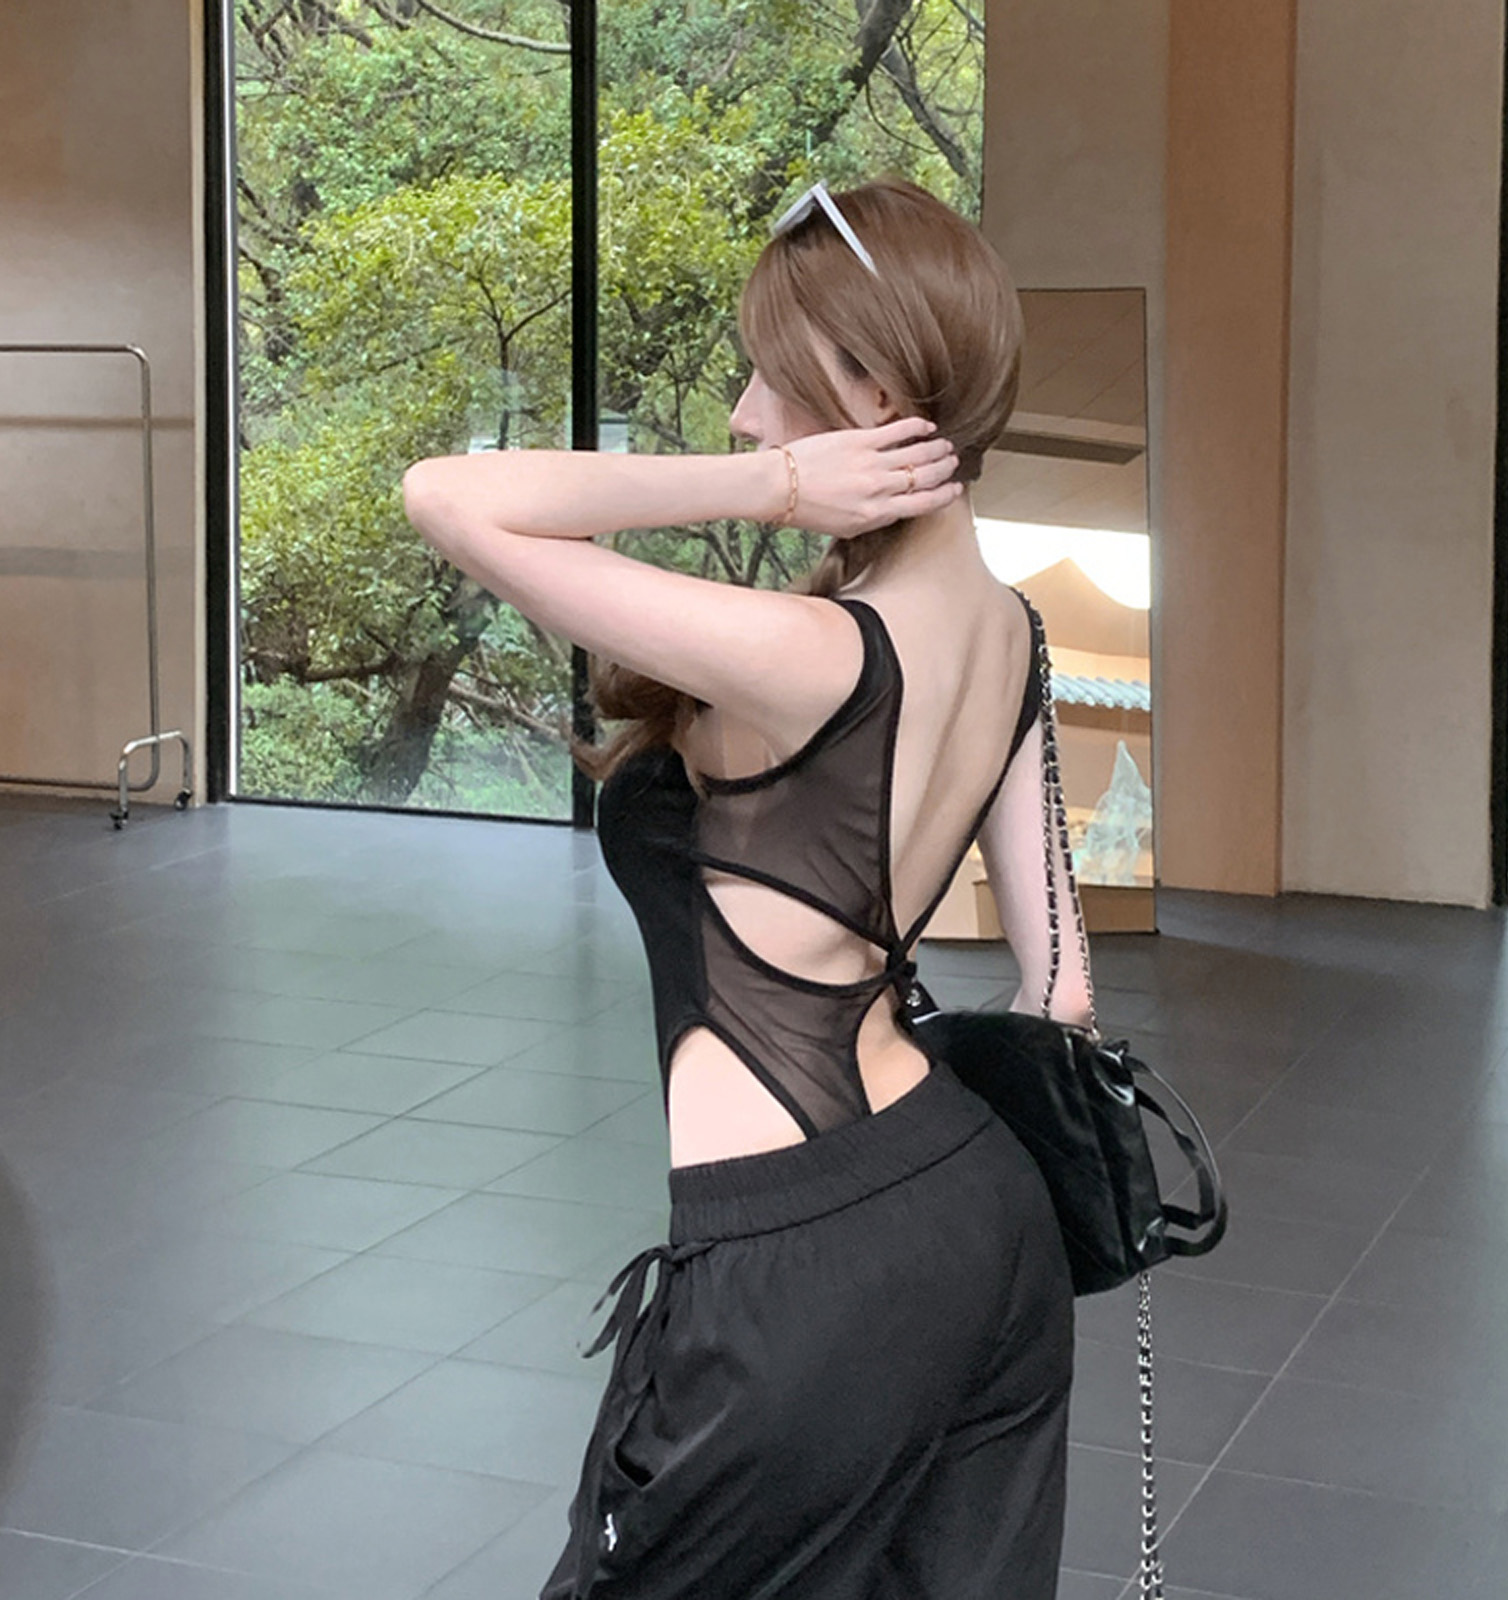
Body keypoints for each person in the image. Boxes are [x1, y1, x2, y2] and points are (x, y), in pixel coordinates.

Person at [403, 176, 1094, 1600]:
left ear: (873, 395)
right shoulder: (1013, 632)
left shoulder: (815, 655)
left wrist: (775, 491)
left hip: (801, 1257)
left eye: (770, 382)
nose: (741, 417)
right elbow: (1066, 991)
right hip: (986, 1220)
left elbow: (447, 497)